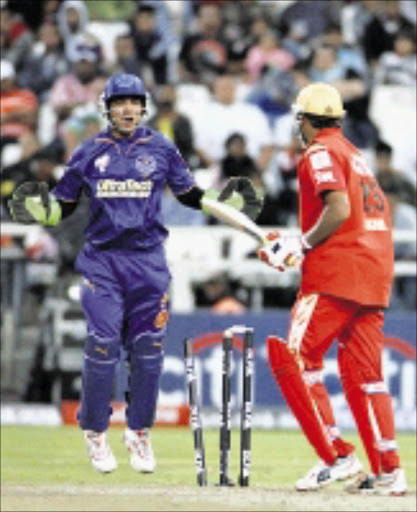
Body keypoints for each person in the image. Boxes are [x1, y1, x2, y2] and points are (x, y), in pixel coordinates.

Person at [8, 72, 262, 474]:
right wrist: (42, 211)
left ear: (143, 106)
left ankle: (138, 432)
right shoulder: (89, 152)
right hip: (103, 262)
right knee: (104, 343)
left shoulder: (162, 148)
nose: (127, 109)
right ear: (107, 108)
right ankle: (94, 431)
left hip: (149, 263)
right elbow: (64, 204)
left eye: (134, 102)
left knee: (149, 353)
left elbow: (190, 195)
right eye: (119, 102)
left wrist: (223, 203)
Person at [258, 83, 407, 495]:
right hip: (374, 270)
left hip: (337, 273)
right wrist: (293, 244)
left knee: (294, 357)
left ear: (303, 120)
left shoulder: (320, 151)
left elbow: (337, 208)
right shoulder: (355, 154)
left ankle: (337, 456)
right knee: (365, 375)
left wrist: (300, 244)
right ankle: (390, 469)